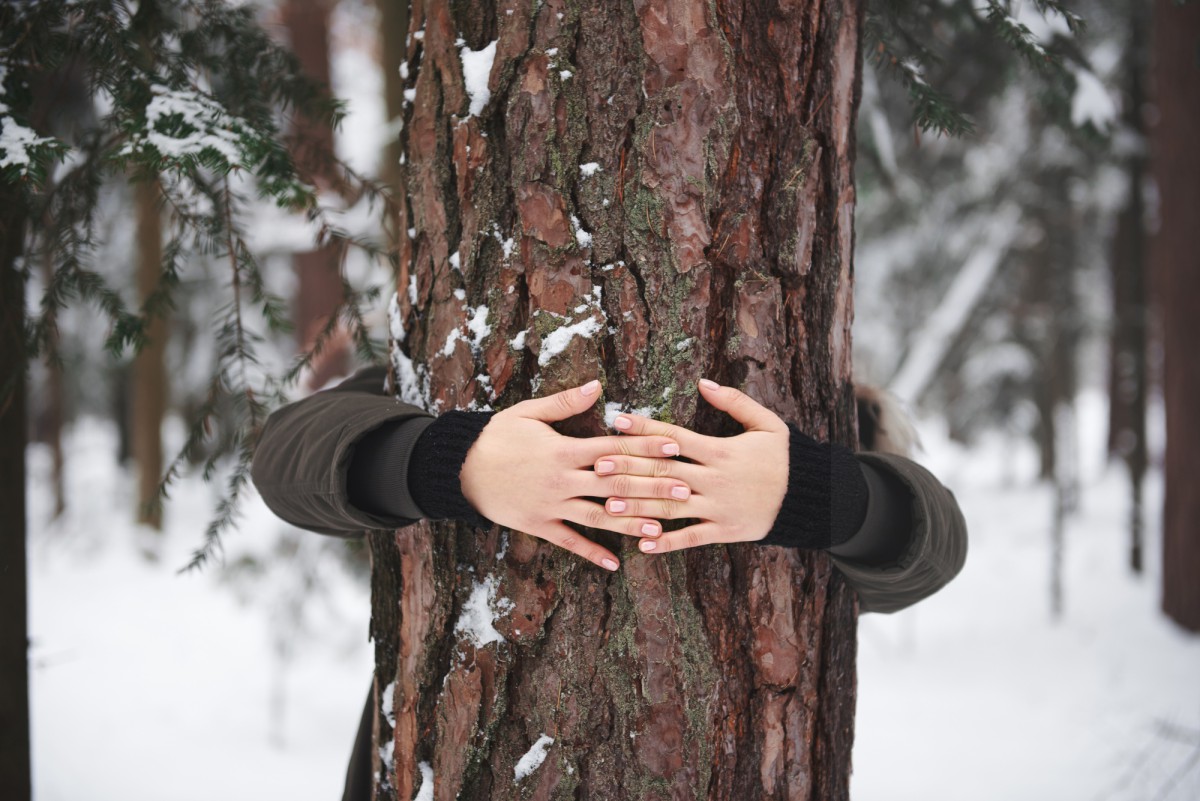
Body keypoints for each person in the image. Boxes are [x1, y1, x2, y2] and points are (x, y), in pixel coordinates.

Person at [250, 365, 967, 800]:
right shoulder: (436, 361)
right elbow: (283, 460)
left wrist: (816, 493)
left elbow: (936, 548)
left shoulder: (826, 403)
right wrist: (449, 462)